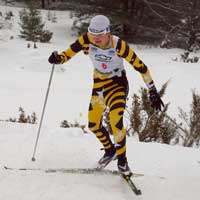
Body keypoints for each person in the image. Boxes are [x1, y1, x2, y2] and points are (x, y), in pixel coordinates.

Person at [48, 15, 164, 176]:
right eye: (93, 34)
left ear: (108, 32)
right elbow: (67, 55)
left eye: (100, 35)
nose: (95, 38)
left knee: (116, 120)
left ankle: (123, 161)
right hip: (99, 84)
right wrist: (57, 58)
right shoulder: (86, 40)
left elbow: (141, 67)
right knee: (93, 125)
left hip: (117, 84)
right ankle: (110, 151)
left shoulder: (119, 45)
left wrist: (152, 91)